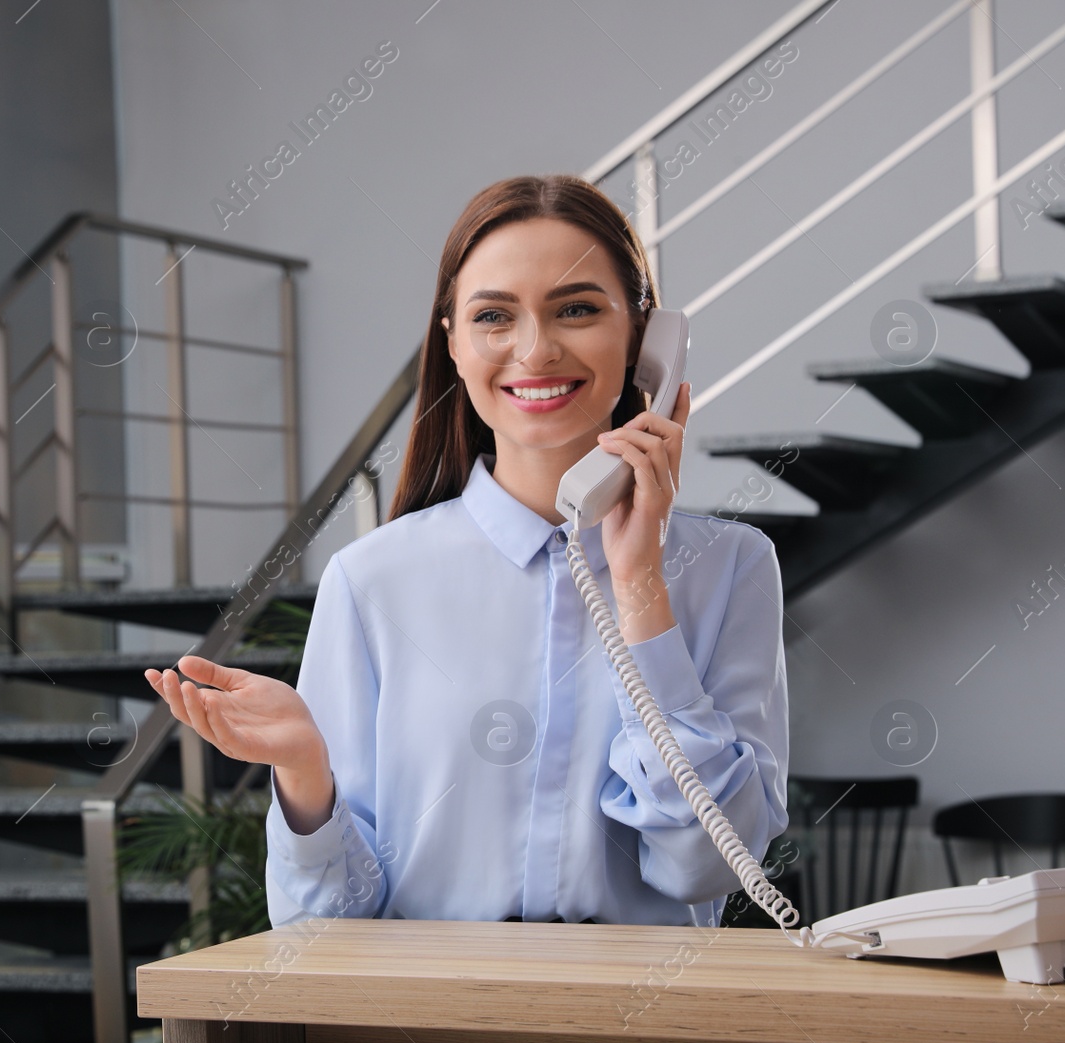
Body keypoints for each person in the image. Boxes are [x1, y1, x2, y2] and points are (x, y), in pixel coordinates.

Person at [144, 174, 790, 928]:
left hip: (641, 1031)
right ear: (452, 343)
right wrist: (305, 776)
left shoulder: (733, 566)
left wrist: (640, 584)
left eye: (577, 308)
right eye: (493, 316)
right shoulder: (372, 580)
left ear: (648, 340)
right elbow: (326, 926)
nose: (536, 349)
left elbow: (704, 864)